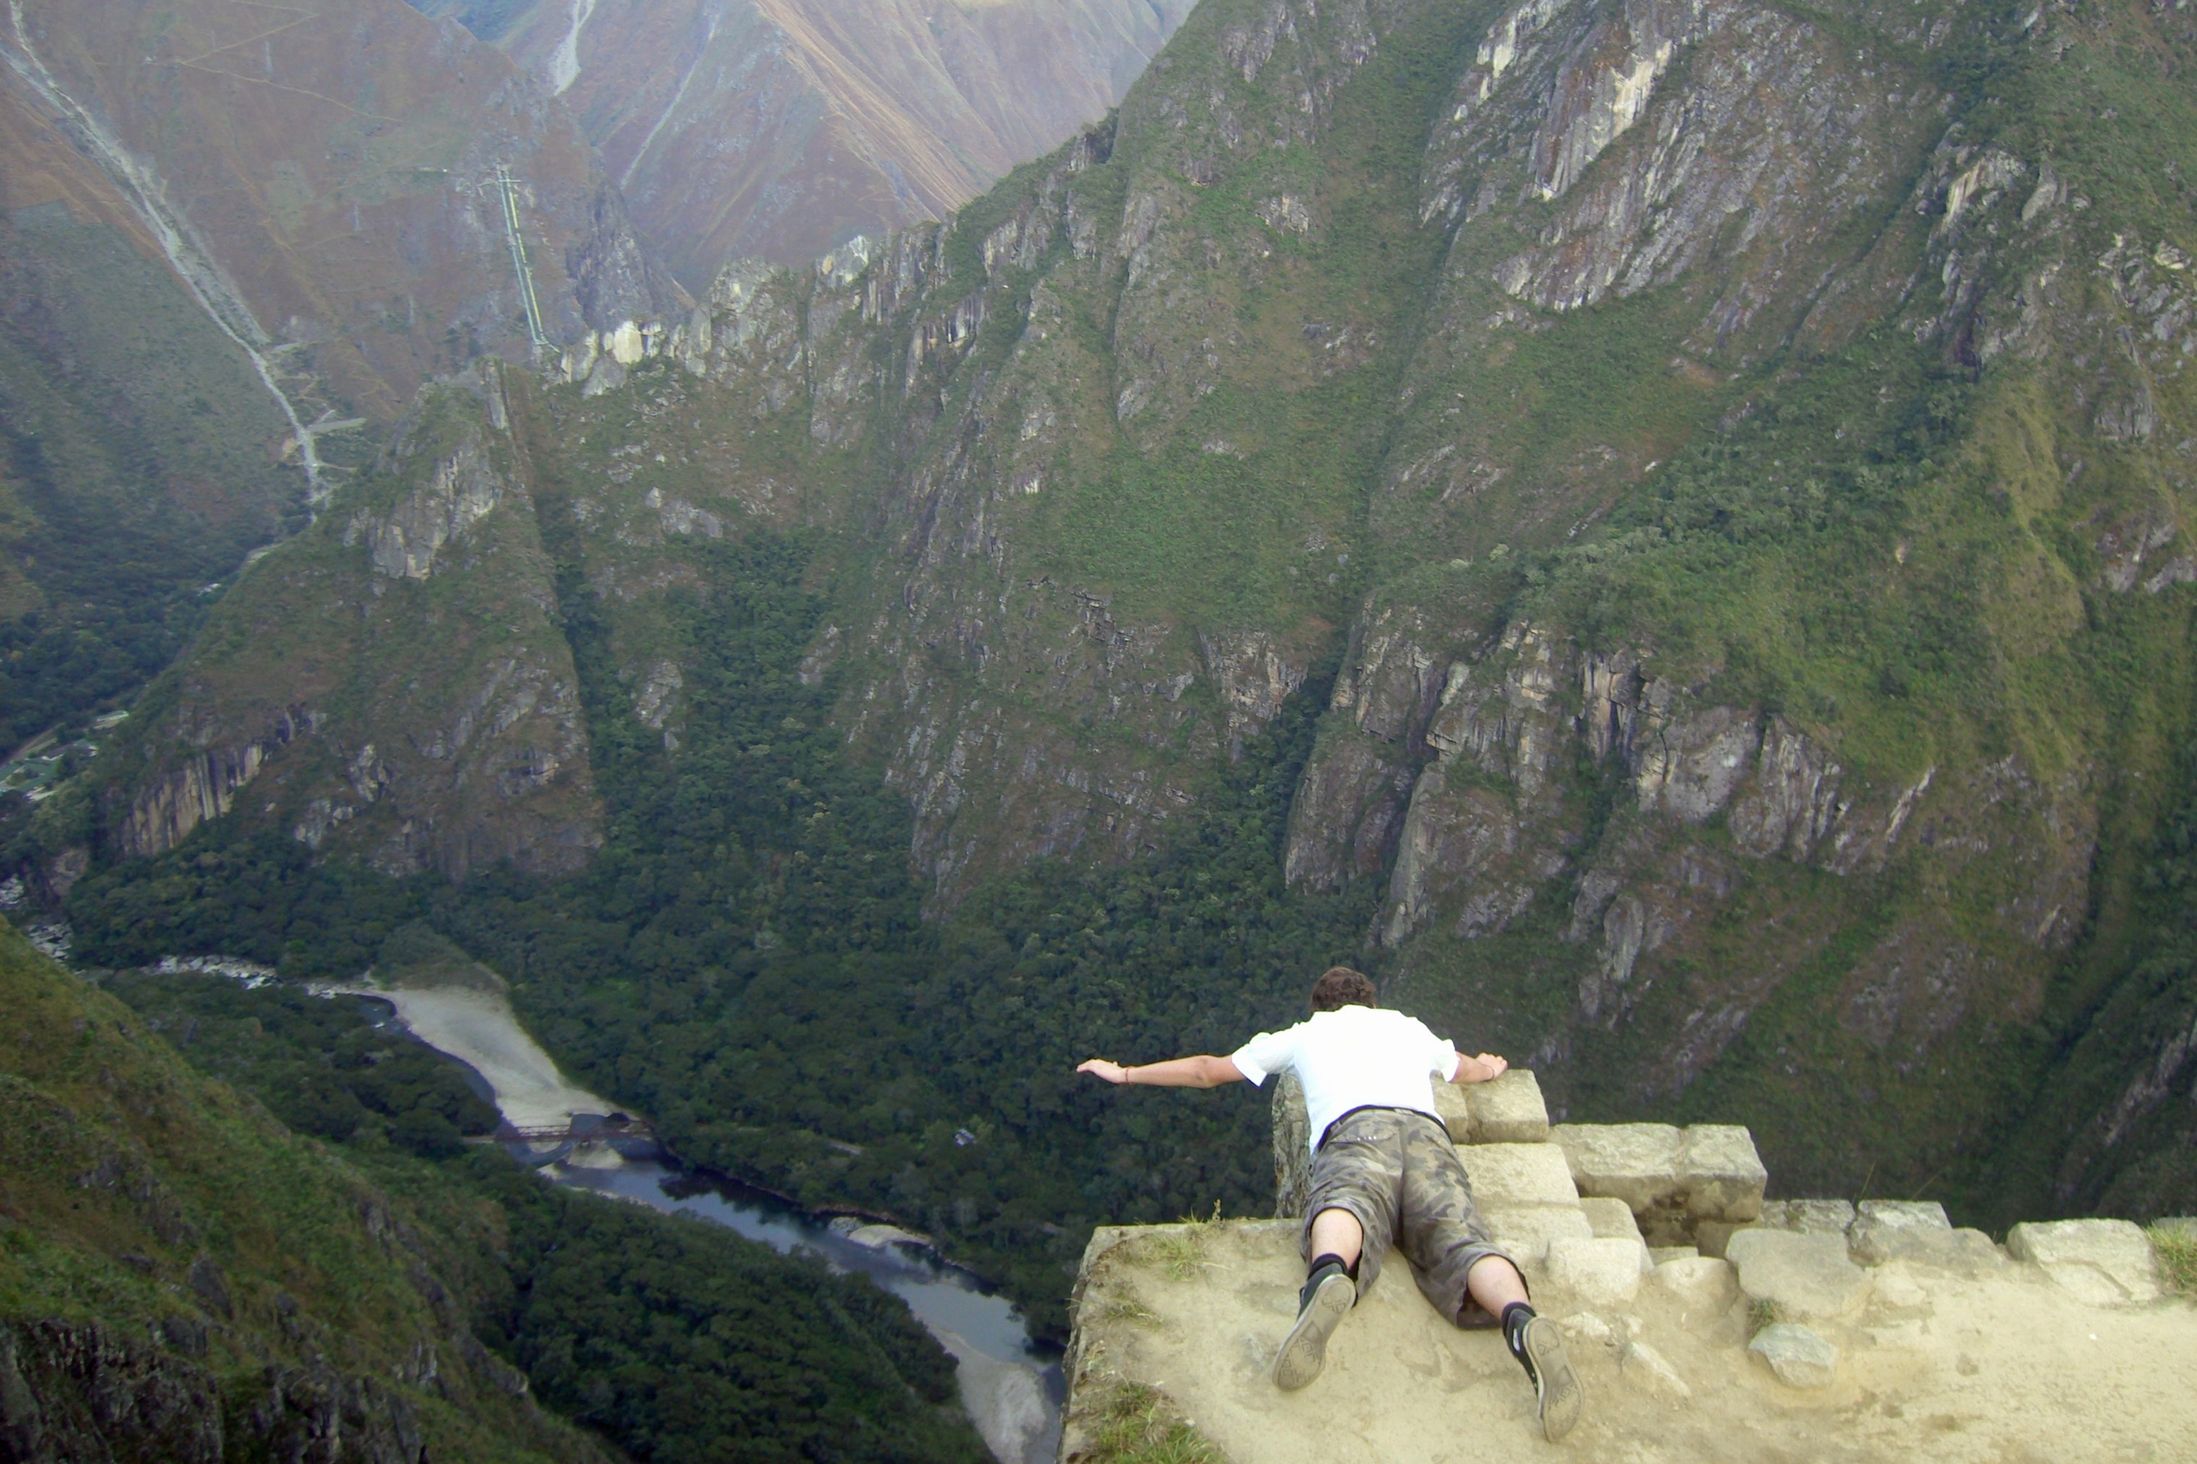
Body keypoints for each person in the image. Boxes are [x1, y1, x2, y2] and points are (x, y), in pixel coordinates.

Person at [1075, 964, 1583, 1443]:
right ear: (1371, 1001)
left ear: (1319, 1007)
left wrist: (1125, 1074)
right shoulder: (1408, 1027)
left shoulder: (1303, 1035)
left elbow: (1208, 1071)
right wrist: (1492, 1069)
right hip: (1427, 1138)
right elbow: (1464, 1069)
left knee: (1348, 1199)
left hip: (1357, 1131)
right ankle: (1519, 1318)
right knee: (1463, 1239)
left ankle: (1328, 1275)